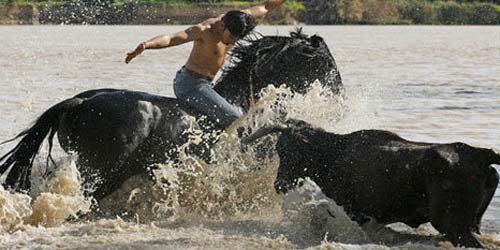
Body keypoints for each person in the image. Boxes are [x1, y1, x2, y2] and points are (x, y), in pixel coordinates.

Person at [125, 0, 287, 128]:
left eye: (236, 39)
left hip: (208, 84)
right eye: (230, 37)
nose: (232, 42)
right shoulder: (204, 30)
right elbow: (171, 38)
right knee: (236, 118)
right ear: (222, 26)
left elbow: (267, 6)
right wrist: (145, 45)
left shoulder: (240, 19)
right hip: (190, 84)